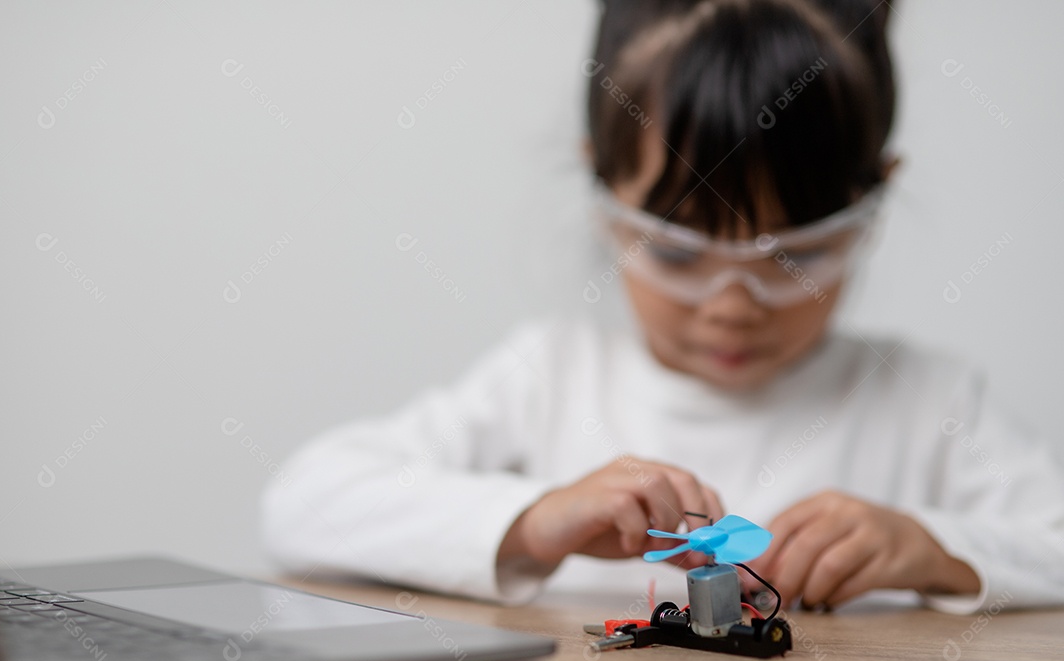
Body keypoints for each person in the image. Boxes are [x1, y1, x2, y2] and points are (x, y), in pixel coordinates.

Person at [261, 0, 1064, 613]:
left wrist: (940, 551)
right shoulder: (545, 377)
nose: (732, 305)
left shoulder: (931, 401)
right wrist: (534, 521)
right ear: (604, 193)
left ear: (873, 202)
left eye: (795, 256)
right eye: (679, 252)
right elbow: (302, 504)